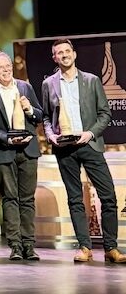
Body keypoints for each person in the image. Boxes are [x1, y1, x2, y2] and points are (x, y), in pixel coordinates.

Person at [42, 38, 126, 263]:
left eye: (67, 51)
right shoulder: (48, 83)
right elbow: (46, 117)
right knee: (75, 199)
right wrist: (50, 135)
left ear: (74, 54)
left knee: (108, 196)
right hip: (65, 148)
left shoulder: (92, 80)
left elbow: (105, 114)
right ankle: (84, 247)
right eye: (59, 53)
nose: (64, 55)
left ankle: (111, 248)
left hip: (89, 144)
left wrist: (90, 133)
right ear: (54, 58)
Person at [0, 50, 42, 261]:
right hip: (4, 151)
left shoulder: (25, 87)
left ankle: (29, 244)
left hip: (27, 150)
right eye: (0, 67)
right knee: (10, 199)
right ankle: (15, 244)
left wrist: (29, 109)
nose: (6, 69)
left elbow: (39, 115)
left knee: (27, 198)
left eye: (7, 65)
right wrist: (6, 138)